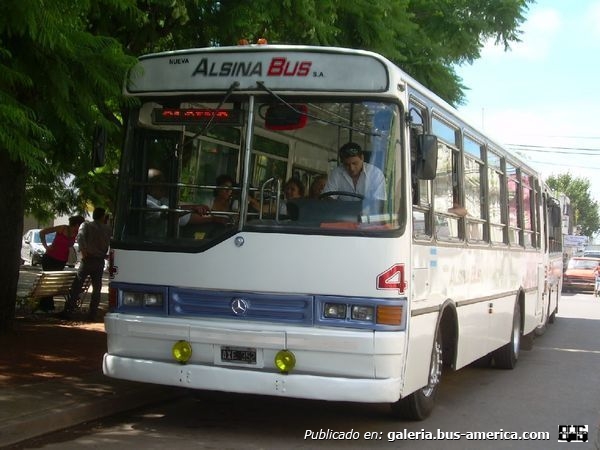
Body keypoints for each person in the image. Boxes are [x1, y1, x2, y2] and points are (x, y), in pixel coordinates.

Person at [61, 207, 112, 321]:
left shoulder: (86, 225)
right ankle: (92, 313)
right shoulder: (107, 229)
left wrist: (84, 252)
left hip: (88, 259)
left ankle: (69, 310)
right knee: (97, 288)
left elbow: (80, 237)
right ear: (103, 216)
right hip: (99, 260)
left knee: (77, 285)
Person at [37, 215, 86, 312]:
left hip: (61, 260)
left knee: (53, 283)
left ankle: (46, 306)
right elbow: (42, 232)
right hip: (50, 258)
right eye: (80, 225)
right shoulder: (62, 228)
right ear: (76, 225)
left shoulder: (77, 233)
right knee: (48, 282)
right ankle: (47, 306)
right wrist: (46, 246)